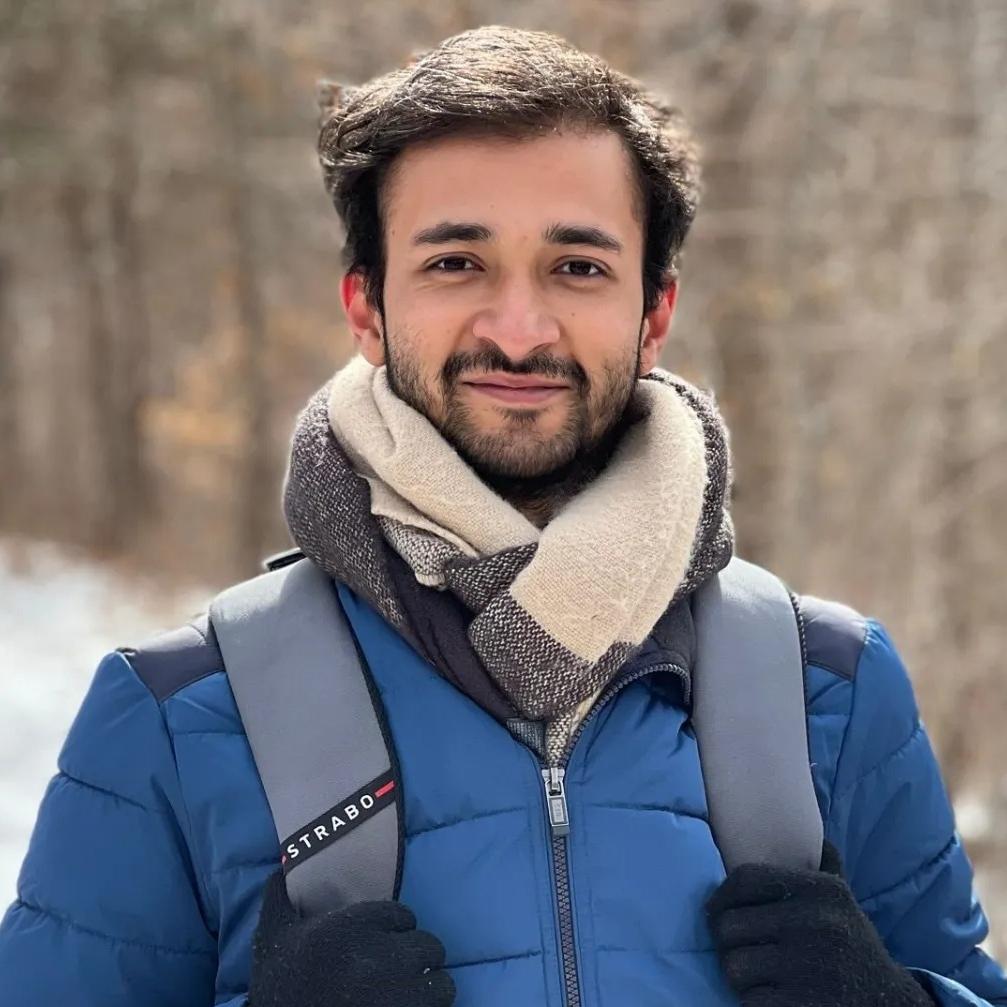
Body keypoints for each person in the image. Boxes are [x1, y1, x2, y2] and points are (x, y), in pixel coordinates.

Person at [0, 23, 1004, 1007]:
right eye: (455, 263)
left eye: (577, 267)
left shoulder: (831, 687)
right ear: (365, 307)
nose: (518, 331)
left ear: (653, 313)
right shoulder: (179, 712)